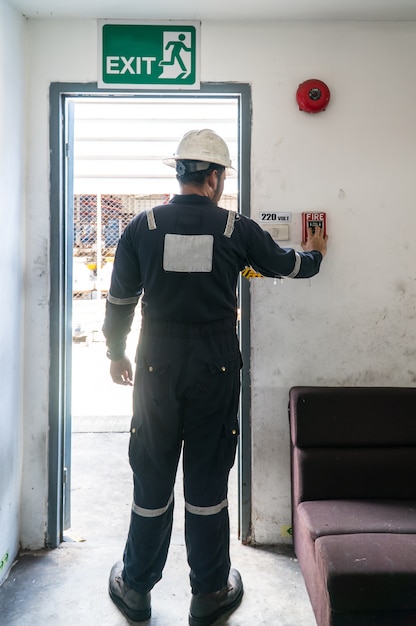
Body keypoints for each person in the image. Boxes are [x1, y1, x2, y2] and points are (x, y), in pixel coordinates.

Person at [103, 129, 328, 625]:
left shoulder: (142, 226)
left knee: (153, 475)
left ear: (181, 173)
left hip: (156, 363)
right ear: (215, 176)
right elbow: (290, 266)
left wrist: (116, 352)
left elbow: (120, 301)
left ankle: (136, 587)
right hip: (215, 364)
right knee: (207, 481)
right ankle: (208, 593)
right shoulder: (235, 228)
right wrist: (315, 252)